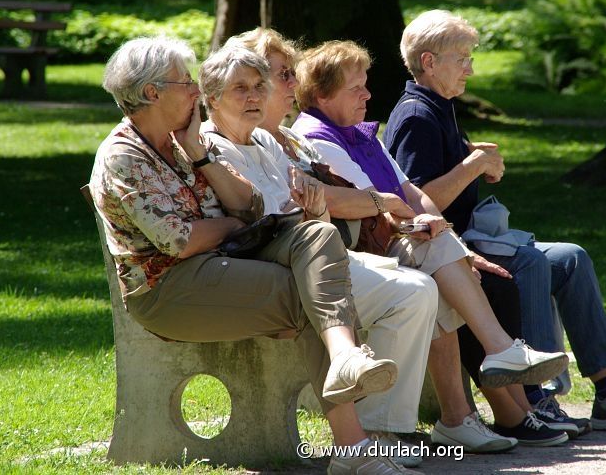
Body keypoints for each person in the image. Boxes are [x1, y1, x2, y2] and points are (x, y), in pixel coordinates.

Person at [89, 36, 418, 475]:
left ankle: (344, 359)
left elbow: (250, 205)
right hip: (168, 289)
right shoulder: (123, 154)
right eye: (186, 82)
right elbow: (179, 241)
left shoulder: (185, 142)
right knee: (307, 292)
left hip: (225, 263)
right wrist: (232, 225)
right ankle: (354, 449)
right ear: (152, 92)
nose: (194, 91)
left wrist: (202, 157)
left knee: (317, 233)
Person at [384, 9, 606, 433]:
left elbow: (449, 171)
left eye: (470, 57)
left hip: (473, 236)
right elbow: (420, 204)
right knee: (531, 262)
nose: (470, 68)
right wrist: (474, 165)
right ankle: (537, 395)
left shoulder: (440, 106)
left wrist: (475, 160)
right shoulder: (415, 116)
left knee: (571, 257)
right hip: (447, 246)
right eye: (461, 58)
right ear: (429, 62)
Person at [291, 39, 573, 450]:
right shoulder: (319, 138)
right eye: (357, 88)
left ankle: (469, 410)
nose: (368, 94)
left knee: (451, 269)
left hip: (400, 240)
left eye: (366, 84)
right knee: (451, 272)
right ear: (322, 95)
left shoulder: (361, 133)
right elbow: (375, 208)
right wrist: (430, 228)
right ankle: (491, 386)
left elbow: (407, 190)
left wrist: (436, 223)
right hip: (361, 251)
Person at [197, 42, 441, 468]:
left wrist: (315, 208)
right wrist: (317, 214)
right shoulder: (209, 147)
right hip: (268, 268)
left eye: (259, 86)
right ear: (212, 97)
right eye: (241, 89)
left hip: (311, 253)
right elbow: (250, 218)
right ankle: (362, 432)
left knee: (417, 290)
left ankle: (381, 428)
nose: (255, 96)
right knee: (410, 289)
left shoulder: (266, 142)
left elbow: (309, 214)